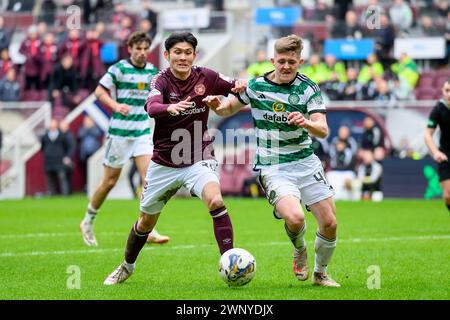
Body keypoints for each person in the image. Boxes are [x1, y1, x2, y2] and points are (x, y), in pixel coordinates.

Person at [103, 31, 246, 285]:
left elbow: (235, 85)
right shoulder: (160, 80)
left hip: (198, 156)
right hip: (164, 163)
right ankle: (127, 266)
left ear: (194, 55)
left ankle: (230, 263)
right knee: (145, 222)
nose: (183, 57)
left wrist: (243, 85)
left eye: (188, 52)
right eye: (177, 53)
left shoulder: (207, 76)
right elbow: (151, 107)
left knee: (215, 200)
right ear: (167, 55)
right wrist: (169, 108)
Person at [203, 34, 340, 287]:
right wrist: (215, 105)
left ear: (300, 62)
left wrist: (306, 122)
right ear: (272, 60)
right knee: (296, 218)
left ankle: (320, 274)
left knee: (330, 223)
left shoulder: (309, 88)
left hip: (306, 162)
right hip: (273, 166)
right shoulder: (255, 87)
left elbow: (323, 130)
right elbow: (227, 109)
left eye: (292, 61)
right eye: (282, 61)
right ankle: (299, 249)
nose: (286, 66)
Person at [80, 32, 169, 247]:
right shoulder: (118, 68)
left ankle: (147, 227)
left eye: (145, 48)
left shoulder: (152, 72)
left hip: (141, 133)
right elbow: (99, 92)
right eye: (137, 48)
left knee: (149, 179)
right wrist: (116, 106)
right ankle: (88, 221)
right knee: (109, 182)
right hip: (119, 134)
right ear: (130, 49)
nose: (141, 52)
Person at [425, 78, 450, 213]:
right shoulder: (439, 109)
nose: (449, 94)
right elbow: (428, 134)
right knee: (447, 196)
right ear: (443, 91)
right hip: (445, 155)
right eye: (447, 90)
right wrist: (435, 152)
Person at [41, 119, 71, 196]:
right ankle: (51, 193)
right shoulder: (45, 136)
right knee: (50, 179)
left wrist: (66, 156)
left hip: (59, 160)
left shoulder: (62, 136)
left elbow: (67, 146)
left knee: (62, 177)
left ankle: (65, 194)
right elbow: (43, 147)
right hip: (49, 160)